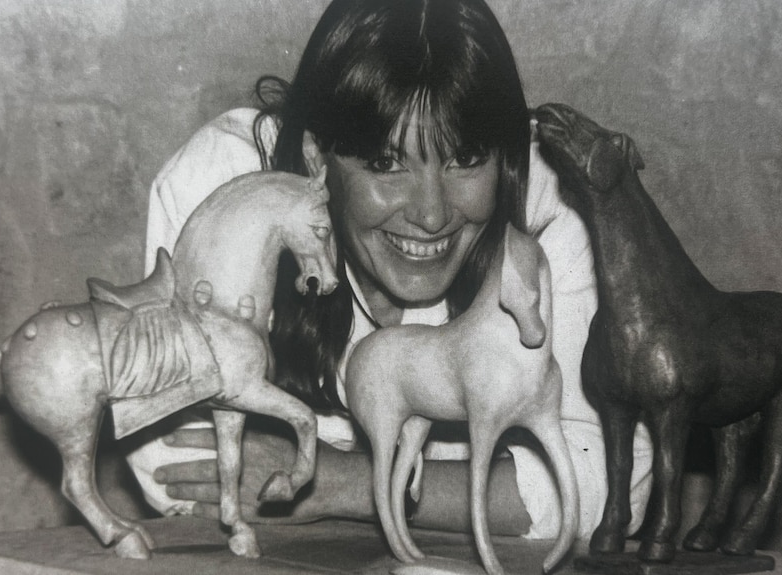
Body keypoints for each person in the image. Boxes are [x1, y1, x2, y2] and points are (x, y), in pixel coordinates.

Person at [129, 0, 653, 543]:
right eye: (385, 163)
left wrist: (340, 483)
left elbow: (616, 487)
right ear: (316, 159)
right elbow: (170, 465)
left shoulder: (556, 204)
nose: (431, 214)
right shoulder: (227, 187)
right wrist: (481, 493)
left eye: (466, 159)